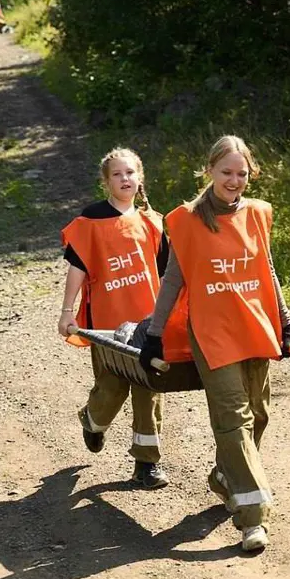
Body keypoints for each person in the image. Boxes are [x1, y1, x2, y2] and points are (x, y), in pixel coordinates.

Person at [139, 136, 290, 552]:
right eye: (226, 172)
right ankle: (253, 518)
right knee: (233, 421)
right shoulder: (185, 220)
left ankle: (225, 477)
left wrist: (285, 322)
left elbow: (267, 270)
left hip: (255, 327)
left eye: (242, 173)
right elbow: (173, 279)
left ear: (251, 174)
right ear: (209, 170)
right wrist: (155, 334)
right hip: (212, 333)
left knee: (259, 416)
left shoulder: (259, 214)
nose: (234, 180)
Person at [58, 149, 178, 489]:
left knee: (149, 389)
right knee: (112, 386)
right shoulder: (91, 220)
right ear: (105, 181)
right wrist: (67, 312)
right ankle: (93, 420)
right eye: (116, 174)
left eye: (130, 173)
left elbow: (167, 273)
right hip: (106, 325)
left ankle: (147, 463)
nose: (124, 179)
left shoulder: (152, 221)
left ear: (140, 178)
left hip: (148, 324)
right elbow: (77, 268)